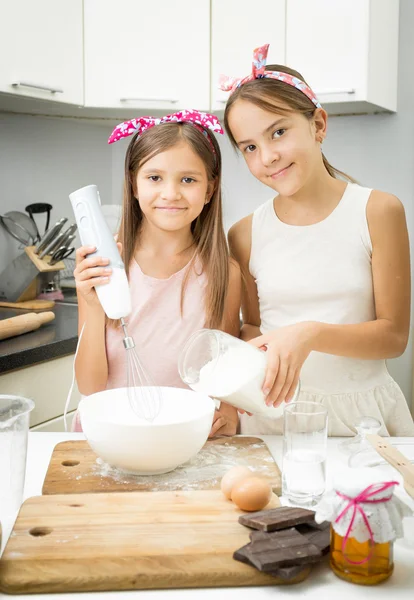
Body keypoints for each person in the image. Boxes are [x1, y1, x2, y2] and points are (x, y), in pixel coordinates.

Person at [224, 44, 414, 436]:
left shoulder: (378, 212)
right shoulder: (244, 234)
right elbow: (254, 327)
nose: (268, 157)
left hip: (360, 418)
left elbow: (394, 337)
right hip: (275, 417)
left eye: (278, 132)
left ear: (319, 124)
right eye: (250, 147)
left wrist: (309, 333)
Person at [73, 110, 241, 437]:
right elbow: (90, 386)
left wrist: (231, 413)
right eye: (154, 178)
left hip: (184, 437)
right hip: (111, 436)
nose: (170, 194)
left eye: (188, 179)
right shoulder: (105, 268)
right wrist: (92, 305)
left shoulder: (223, 273)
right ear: (133, 185)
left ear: (209, 189)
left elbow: (225, 373)